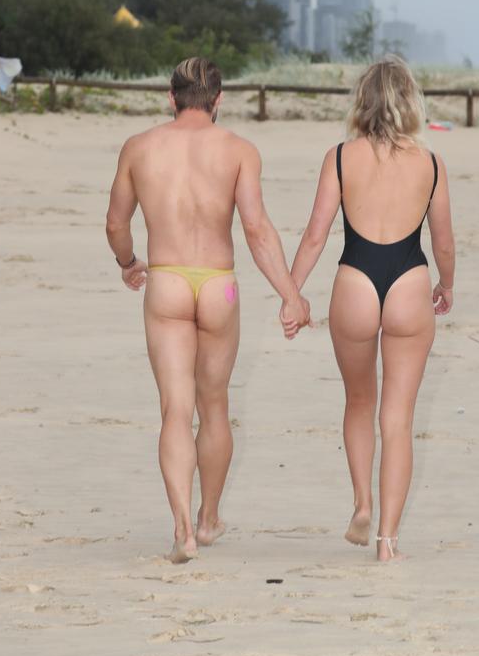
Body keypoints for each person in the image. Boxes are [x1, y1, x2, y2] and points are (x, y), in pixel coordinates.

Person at [106, 57, 310, 563]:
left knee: (176, 411)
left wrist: (130, 262)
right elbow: (257, 231)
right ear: (219, 101)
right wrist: (290, 294)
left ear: (171, 98)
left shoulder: (139, 148)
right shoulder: (239, 150)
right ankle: (210, 517)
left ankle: (181, 529)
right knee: (213, 406)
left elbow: (114, 223)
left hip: (168, 283)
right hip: (219, 286)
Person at [285, 56, 455, 561]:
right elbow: (442, 240)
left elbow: (316, 234)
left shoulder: (340, 156)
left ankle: (361, 503)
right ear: (410, 101)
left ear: (362, 100)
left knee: (359, 402)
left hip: (355, 280)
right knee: (397, 418)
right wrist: (448, 283)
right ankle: (387, 542)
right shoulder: (430, 162)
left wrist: (293, 293)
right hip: (409, 282)